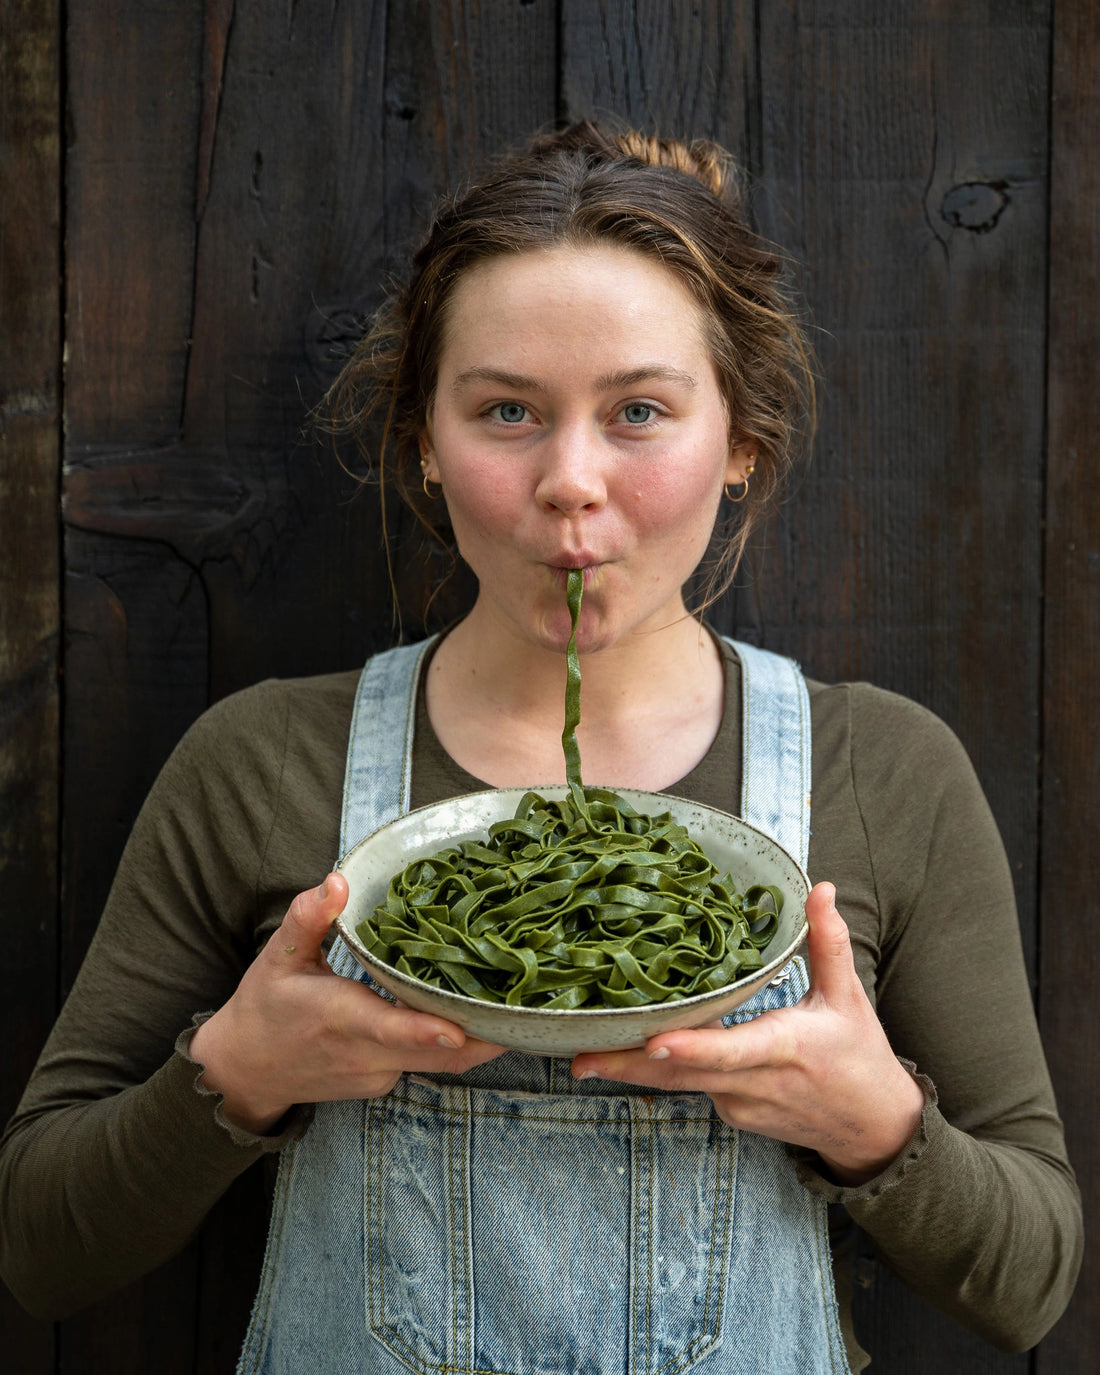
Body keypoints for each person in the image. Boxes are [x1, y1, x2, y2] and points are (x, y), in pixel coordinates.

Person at [0, 119, 1082, 1373]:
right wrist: (231, 1073)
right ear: (422, 434)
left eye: (637, 411)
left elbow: (1032, 1283)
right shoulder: (256, 764)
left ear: (739, 438)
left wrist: (877, 1124)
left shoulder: (885, 772)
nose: (570, 481)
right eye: (506, 410)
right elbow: (40, 1246)